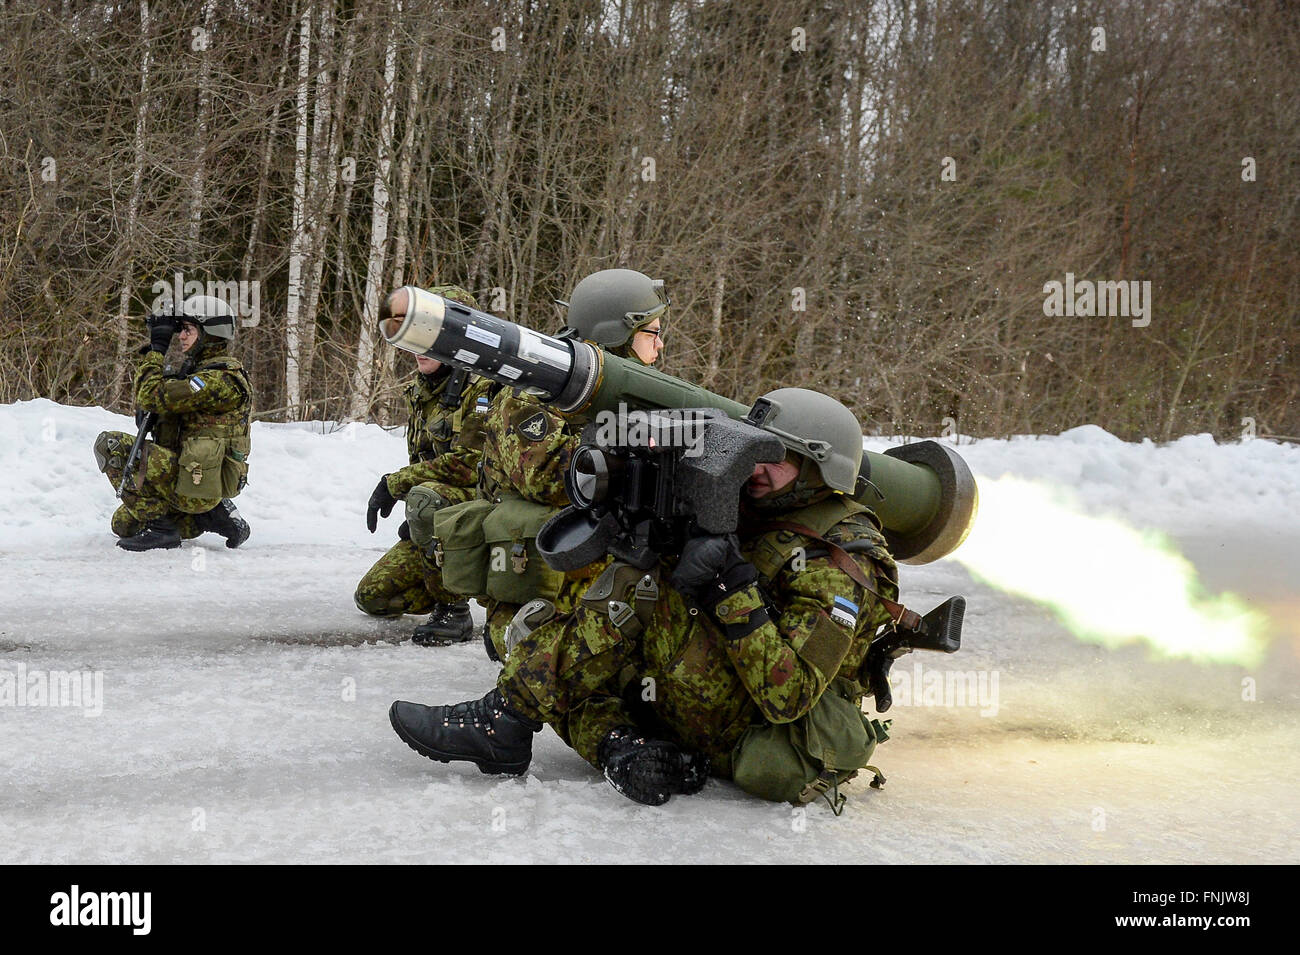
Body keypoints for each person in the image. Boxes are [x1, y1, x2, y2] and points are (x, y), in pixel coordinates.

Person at [388, 388, 900, 811]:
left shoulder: (842, 560)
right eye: (757, 448)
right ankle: (609, 743)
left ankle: (508, 718)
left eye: (778, 458)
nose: (757, 467)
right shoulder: (759, 506)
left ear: (819, 469)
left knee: (637, 595)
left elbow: (788, 697)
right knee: (556, 646)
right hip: (710, 689)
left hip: (762, 719)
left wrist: (730, 588)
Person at [401, 268, 672, 660]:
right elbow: (551, 480)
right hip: (540, 578)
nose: (660, 346)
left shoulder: (634, 394)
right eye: (654, 333)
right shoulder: (535, 394)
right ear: (620, 334)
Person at [353, 285, 494, 646]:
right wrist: (422, 527)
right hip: (444, 508)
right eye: (415, 335)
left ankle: (454, 609)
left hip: (486, 511)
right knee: (373, 598)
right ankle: (447, 576)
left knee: (425, 500)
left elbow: (470, 465)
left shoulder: (482, 389)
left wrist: (401, 487)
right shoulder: (424, 388)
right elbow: (426, 458)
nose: (418, 347)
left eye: (430, 335)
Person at [94, 295, 252, 551]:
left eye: (188, 330)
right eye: (181, 330)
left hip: (195, 481)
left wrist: (157, 348)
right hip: (185, 476)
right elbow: (156, 406)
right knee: (122, 524)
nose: (180, 337)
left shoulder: (219, 381)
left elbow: (150, 395)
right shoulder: (197, 373)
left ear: (209, 334)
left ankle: (165, 530)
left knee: (109, 445)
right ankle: (211, 516)